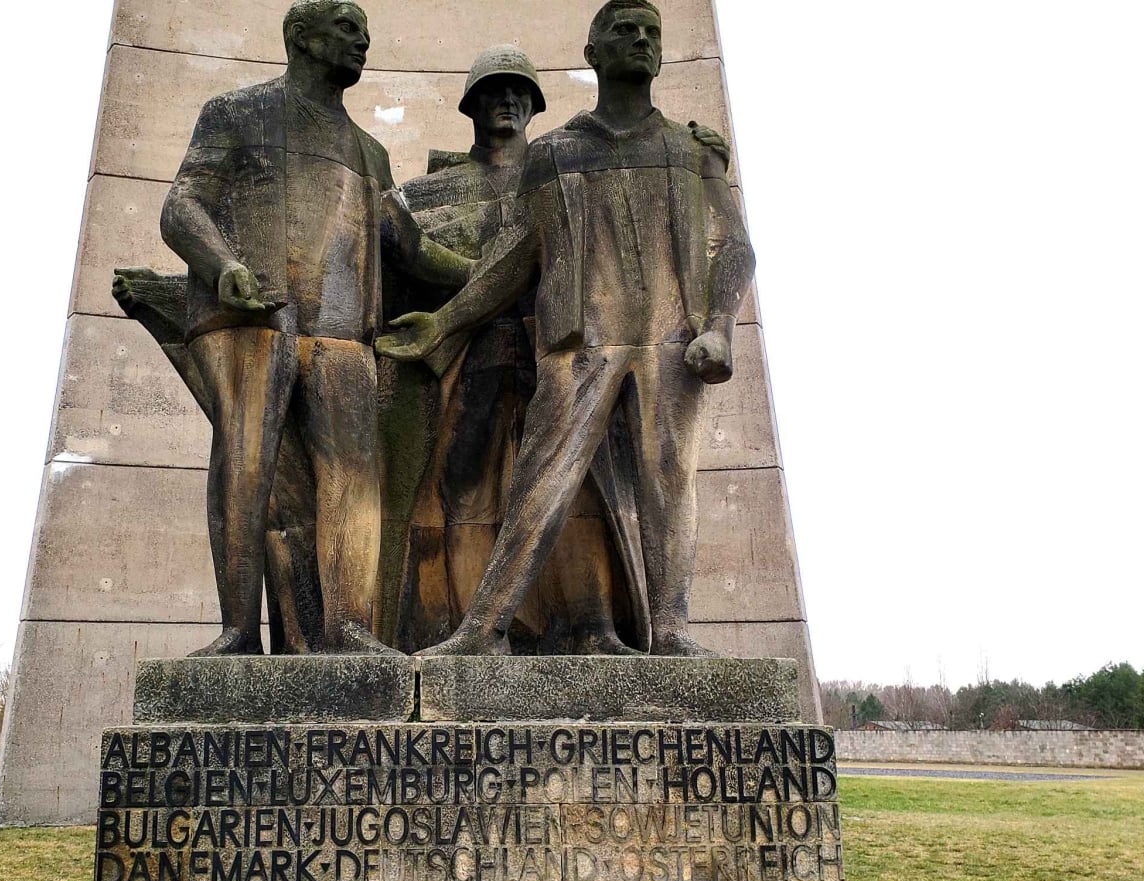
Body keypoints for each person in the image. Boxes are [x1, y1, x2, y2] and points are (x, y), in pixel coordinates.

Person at [377, 0, 755, 656]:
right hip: (578, 346)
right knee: (540, 482)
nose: (638, 40)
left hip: (671, 345)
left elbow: (734, 247)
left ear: (661, 55)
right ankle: (480, 628)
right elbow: (516, 258)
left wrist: (719, 326)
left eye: (649, 33)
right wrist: (442, 322)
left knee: (669, 481)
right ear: (593, 54)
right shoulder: (556, 152)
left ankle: (671, 630)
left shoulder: (690, 152)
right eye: (622, 31)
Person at [160, 0, 469, 655]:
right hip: (252, 321)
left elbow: (406, 243)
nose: (363, 42)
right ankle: (238, 633)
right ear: (300, 36)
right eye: (347, 30)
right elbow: (182, 205)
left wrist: (491, 273)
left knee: (353, 481)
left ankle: (348, 628)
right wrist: (222, 266)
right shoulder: (237, 113)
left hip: (343, 339)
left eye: (365, 32)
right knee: (245, 467)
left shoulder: (369, 151)